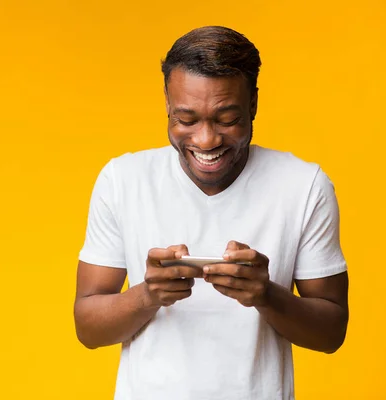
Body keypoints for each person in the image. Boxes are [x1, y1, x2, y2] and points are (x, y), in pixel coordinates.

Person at [74, 25, 349, 400]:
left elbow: (331, 333)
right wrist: (148, 295)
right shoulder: (123, 180)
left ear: (253, 103)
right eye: (187, 120)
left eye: (226, 119)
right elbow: (87, 329)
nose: (206, 140)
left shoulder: (304, 186)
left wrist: (265, 295)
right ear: (167, 103)